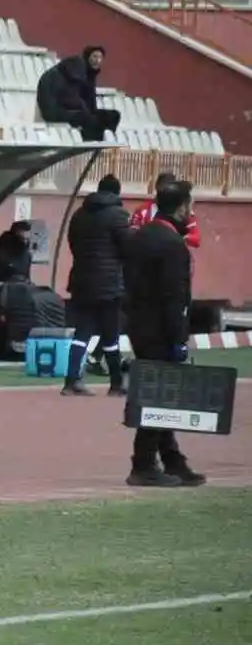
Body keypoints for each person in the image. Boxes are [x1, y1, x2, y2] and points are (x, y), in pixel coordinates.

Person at [122, 181, 205, 487]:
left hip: (139, 326)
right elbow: (174, 298)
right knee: (157, 397)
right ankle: (142, 464)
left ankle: (172, 459)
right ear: (182, 207)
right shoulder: (172, 245)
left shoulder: (140, 237)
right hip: (160, 330)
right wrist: (177, 340)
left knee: (157, 394)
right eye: (190, 206)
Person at [62, 174, 131, 397]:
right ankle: (116, 384)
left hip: (81, 280)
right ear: (117, 193)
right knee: (110, 335)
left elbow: (72, 243)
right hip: (108, 283)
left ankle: (71, 381)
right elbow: (128, 246)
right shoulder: (118, 215)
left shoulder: (79, 214)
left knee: (81, 332)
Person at [130, 172, 202, 248]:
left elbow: (196, 238)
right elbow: (132, 233)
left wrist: (177, 240)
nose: (165, 193)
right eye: (163, 189)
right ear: (157, 188)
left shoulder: (184, 212)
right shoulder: (142, 210)